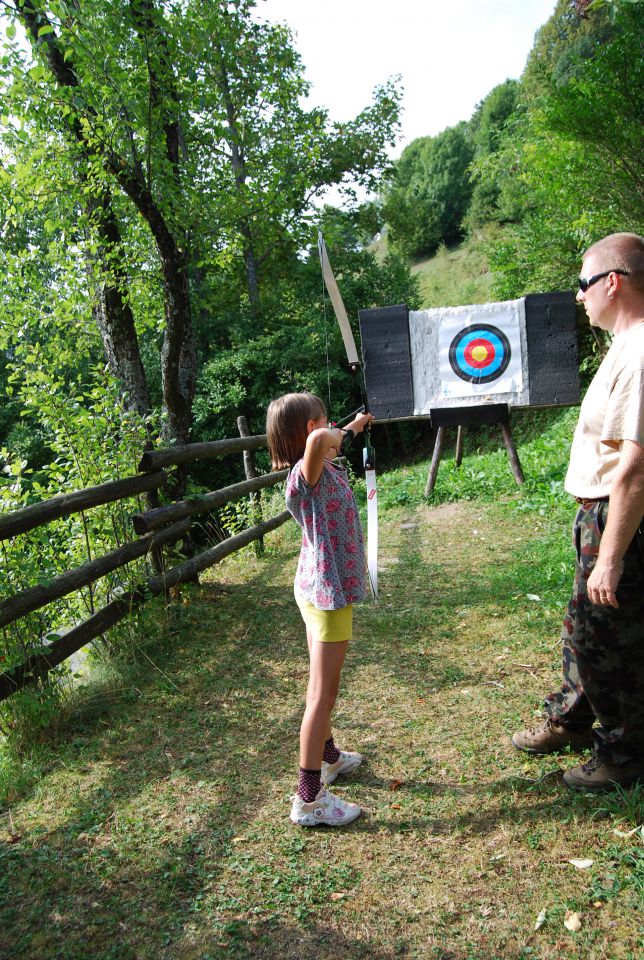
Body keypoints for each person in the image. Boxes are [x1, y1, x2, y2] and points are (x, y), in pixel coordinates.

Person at [512, 232, 644, 791]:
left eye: (584, 284)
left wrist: (610, 557)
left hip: (616, 516)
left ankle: (622, 754)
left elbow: (636, 470)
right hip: (597, 512)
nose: (579, 296)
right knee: (582, 625)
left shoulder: (639, 353)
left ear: (613, 283)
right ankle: (573, 720)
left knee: (605, 631)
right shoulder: (625, 341)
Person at [266, 392, 374, 825]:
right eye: (325, 423)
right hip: (327, 597)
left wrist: (350, 428)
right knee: (321, 696)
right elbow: (318, 444)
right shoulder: (304, 473)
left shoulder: (320, 467)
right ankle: (309, 798)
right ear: (312, 429)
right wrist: (344, 431)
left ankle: (328, 757)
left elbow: (322, 445)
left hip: (316, 586)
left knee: (320, 690)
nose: (334, 432)